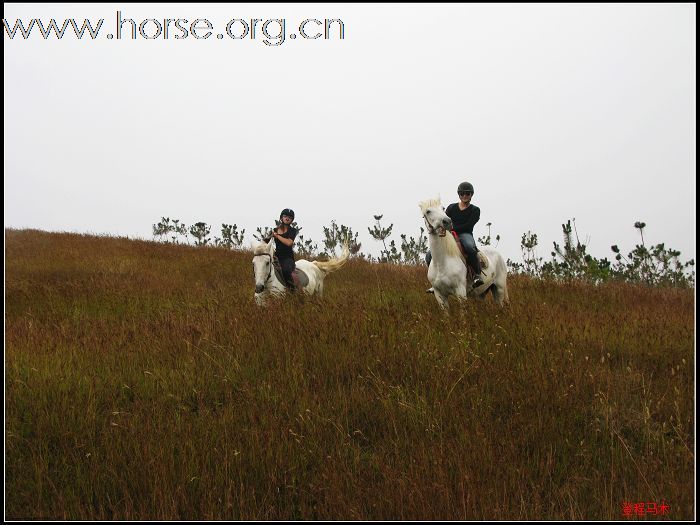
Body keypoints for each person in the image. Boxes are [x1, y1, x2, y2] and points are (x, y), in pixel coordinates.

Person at [426, 182, 485, 290]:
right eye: (462, 194)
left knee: (470, 247)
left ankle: (477, 275)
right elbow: (445, 220)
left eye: (467, 193)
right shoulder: (452, 207)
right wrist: (443, 229)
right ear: (459, 195)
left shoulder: (475, 210)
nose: (464, 196)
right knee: (429, 254)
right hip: (449, 234)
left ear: (471, 195)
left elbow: (468, 225)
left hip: (465, 234)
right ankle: (435, 282)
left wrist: (450, 229)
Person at [266, 208, 298, 290]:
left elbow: (289, 243)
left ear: (292, 220)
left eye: (290, 217)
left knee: (286, 270)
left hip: (287, 258)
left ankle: (292, 290)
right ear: (281, 218)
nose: (287, 218)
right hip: (276, 256)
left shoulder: (293, 231)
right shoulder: (275, 230)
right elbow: (266, 241)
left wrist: (277, 236)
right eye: (285, 216)